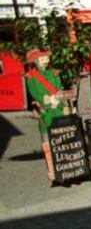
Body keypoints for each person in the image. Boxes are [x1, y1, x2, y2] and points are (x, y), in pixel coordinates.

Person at [25, 50, 70, 182]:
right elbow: (35, 94)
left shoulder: (54, 74)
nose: (46, 60)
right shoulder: (31, 78)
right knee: (47, 141)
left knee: (64, 137)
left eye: (46, 58)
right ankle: (52, 171)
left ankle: (67, 167)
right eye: (42, 58)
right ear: (36, 61)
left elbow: (59, 88)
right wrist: (45, 100)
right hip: (46, 112)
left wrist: (61, 101)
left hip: (58, 109)